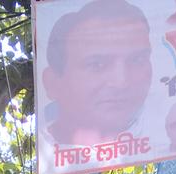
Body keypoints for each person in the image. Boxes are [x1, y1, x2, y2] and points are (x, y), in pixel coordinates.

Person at [42, 0, 152, 147]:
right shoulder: (45, 145)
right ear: (53, 83)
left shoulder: (167, 127)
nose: (121, 82)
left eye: (137, 60)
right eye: (97, 65)